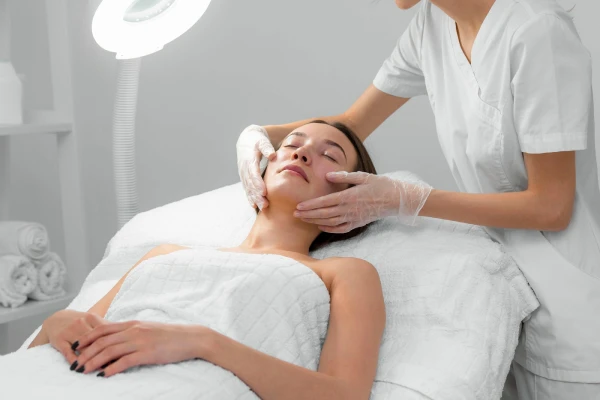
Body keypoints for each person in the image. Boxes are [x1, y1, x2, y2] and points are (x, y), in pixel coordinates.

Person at [235, 0, 600, 399]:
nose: (301, 155)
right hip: (502, 301)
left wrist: (407, 200)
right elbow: (350, 126)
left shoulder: (538, 34)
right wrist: (260, 133)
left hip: (568, 310)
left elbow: (551, 206)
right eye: (292, 148)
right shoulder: (434, 22)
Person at [26, 121, 386, 400]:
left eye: (330, 156)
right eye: (291, 145)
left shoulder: (343, 273)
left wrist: (202, 342)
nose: (301, 153)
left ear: (352, 197)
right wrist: (56, 322)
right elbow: (73, 337)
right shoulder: (164, 254)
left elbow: (345, 395)